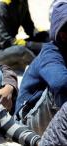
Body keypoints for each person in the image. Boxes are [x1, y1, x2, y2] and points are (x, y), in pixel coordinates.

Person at [14, 1, 67, 136]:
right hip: (28, 122)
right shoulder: (50, 53)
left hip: (47, 117)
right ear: (63, 35)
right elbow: (59, 83)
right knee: (60, 86)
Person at [0, 0, 49, 71]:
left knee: (47, 35)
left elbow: (30, 28)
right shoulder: (1, 7)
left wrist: (43, 36)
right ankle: (43, 69)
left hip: (9, 45)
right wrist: (37, 46)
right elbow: (6, 42)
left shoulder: (22, 2)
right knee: (22, 51)